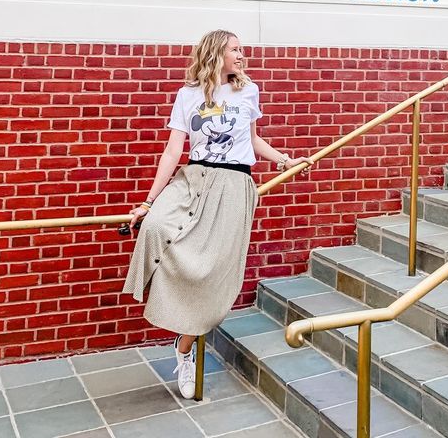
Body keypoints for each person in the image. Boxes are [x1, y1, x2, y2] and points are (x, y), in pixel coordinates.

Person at [122, 29, 310, 400]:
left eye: (242, 49)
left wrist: (287, 160)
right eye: (235, 50)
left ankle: (184, 348)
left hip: (234, 186)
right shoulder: (187, 94)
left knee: (211, 272)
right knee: (156, 226)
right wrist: (147, 201)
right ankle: (166, 303)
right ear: (215, 54)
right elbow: (173, 148)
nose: (242, 55)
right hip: (193, 177)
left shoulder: (247, 91)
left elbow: (253, 140)